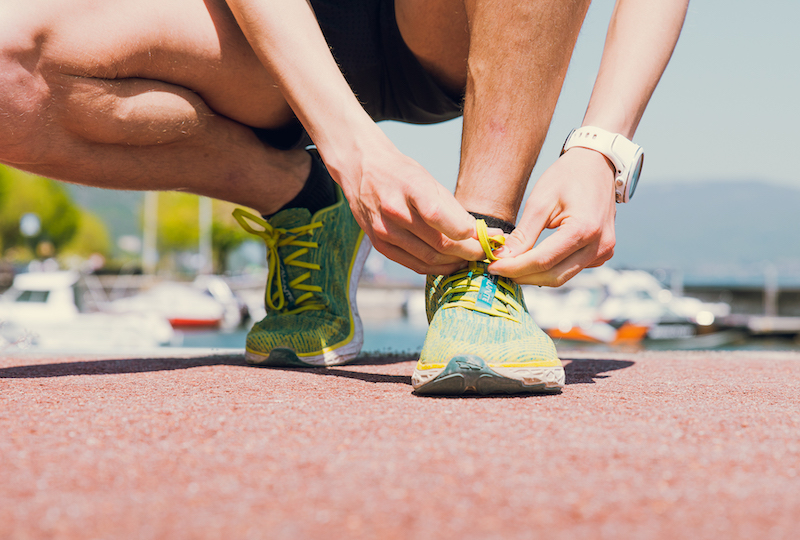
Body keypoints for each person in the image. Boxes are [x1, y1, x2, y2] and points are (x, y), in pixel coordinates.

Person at [0, 0, 688, 394]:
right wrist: (348, 146)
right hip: (264, 31)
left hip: (453, 22)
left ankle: (476, 259)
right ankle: (302, 200)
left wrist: (604, 146)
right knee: (10, 70)